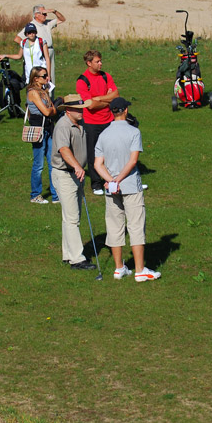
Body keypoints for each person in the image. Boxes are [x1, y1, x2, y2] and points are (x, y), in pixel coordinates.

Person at [93, 98, 160, 282]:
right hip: (130, 185)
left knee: (114, 226)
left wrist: (110, 181)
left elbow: (97, 164)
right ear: (125, 110)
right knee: (136, 225)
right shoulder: (133, 132)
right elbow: (133, 160)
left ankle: (118, 268)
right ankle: (139, 270)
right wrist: (118, 179)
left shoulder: (104, 134)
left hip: (111, 188)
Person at [51, 94, 97, 270]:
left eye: (82, 108)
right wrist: (77, 166)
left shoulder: (80, 123)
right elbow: (63, 149)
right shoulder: (63, 125)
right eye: (78, 109)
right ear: (68, 110)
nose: (81, 111)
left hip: (76, 175)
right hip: (65, 175)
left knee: (69, 217)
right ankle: (77, 259)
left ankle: (68, 254)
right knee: (72, 218)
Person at [76, 50, 118, 195]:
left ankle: (112, 180)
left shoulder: (106, 76)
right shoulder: (82, 81)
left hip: (109, 120)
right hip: (91, 122)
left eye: (100, 61)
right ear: (89, 63)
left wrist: (98, 98)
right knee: (93, 153)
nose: (100, 63)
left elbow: (116, 95)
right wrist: (107, 98)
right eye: (97, 61)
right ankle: (96, 183)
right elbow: (90, 105)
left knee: (111, 151)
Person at [25, 66, 59, 204]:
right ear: (36, 79)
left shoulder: (44, 91)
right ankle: (35, 195)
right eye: (44, 76)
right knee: (38, 164)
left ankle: (55, 195)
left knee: (53, 163)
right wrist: (51, 110)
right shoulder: (33, 92)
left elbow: (53, 110)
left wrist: (51, 109)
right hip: (39, 130)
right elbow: (47, 111)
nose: (47, 78)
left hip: (48, 129)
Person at [15, 5, 65, 83]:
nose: (46, 15)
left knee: (51, 75)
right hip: (41, 52)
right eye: (44, 13)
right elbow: (17, 39)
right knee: (42, 76)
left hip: (50, 50)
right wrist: (32, 47)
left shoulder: (47, 23)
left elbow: (62, 19)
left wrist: (54, 11)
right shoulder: (31, 26)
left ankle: (50, 90)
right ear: (36, 15)